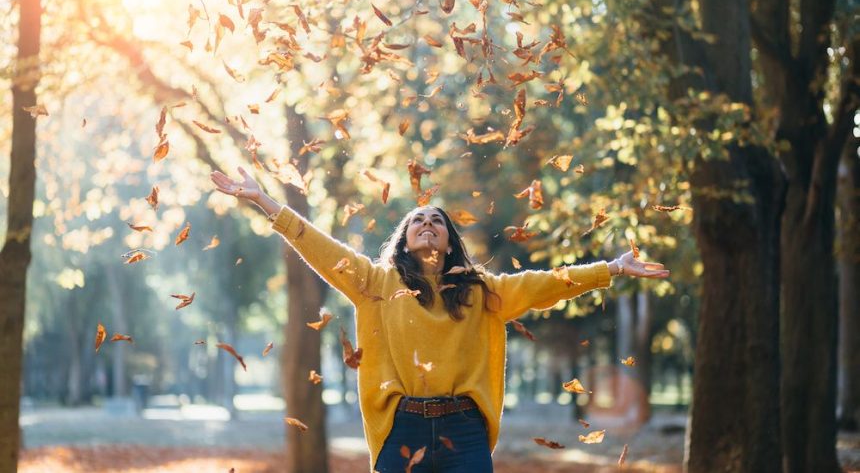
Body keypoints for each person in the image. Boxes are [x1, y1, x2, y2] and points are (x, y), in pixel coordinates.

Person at [211, 167, 670, 473]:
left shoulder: (482, 290)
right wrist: (265, 202)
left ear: (449, 240)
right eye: (417, 220)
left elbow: (546, 282)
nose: (427, 223)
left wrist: (609, 269)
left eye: (436, 219)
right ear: (405, 240)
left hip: (464, 431)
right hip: (401, 428)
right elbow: (320, 247)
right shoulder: (376, 284)